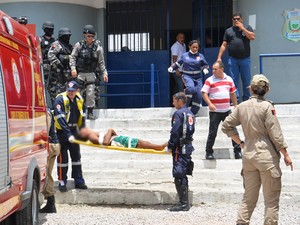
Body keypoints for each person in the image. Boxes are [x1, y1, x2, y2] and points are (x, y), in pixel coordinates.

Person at [221, 74, 293, 225]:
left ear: (251, 88)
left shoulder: (241, 107)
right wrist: (285, 154)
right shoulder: (267, 107)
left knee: (248, 198)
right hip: (266, 156)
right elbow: (275, 134)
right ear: (267, 90)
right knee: (271, 200)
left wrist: (240, 142)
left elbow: (226, 125)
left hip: (248, 155)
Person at [201, 61, 242, 160]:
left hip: (227, 111)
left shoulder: (229, 79)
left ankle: (237, 151)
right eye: (213, 69)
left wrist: (236, 105)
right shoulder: (209, 80)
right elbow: (204, 93)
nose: (213, 71)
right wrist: (210, 104)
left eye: (215, 69)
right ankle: (209, 152)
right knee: (212, 132)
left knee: (233, 130)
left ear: (222, 69)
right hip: (215, 112)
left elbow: (232, 93)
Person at [53, 80, 87, 192]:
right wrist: (68, 134)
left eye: (73, 91)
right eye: (69, 90)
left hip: (74, 131)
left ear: (77, 90)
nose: (70, 93)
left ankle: (79, 180)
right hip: (62, 133)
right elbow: (61, 119)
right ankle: (62, 181)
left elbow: (82, 116)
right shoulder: (60, 99)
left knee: (76, 157)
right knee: (63, 159)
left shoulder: (79, 99)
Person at [70, 24, 108, 120]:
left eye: (92, 36)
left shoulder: (98, 47)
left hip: (91, 73)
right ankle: (76, 112)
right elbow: (73, 57)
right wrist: (73, 68)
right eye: (88, 36)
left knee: (90, 93)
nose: (90, 38)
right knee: (77, 93)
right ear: (84, 35)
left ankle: (90, 112)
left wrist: (104, 73)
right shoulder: (79, 45)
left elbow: (101, 61)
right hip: (81, 73)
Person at [217, 12, 255, 102]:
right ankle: (235, 100)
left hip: (245, 59)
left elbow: (252, 37)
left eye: (238, 19)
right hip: (233, 59)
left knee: (246, 80)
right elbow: (224, 44)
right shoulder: (229, 31)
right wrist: (219, 57)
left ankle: (247, 99)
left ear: (242, 19)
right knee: (234, 80)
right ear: (232, 20)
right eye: (234, 19)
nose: (236, 20)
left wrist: (242, 28)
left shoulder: (247, 28)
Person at [167, 92, 195, 212]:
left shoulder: (178, 113)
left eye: (174, 100)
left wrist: (170, 145)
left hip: (180, 147)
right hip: (188, 145)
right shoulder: (190, 113)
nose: (173, 103)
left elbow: (175, 131)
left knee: (179, 174)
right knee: (183, 173)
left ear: (180, 101)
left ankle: (183, 203)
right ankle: (184, 202)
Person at [168, 40, 209, 115]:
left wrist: (205, 69)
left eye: (197, 47)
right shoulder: (185, 55)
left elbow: (204, 64)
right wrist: (172, 68)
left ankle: (191, 113)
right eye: (193, 47)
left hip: (198, 77)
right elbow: (178, 63)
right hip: (187, 76)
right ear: (189, 47)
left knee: (199, 94)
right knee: (190, 88)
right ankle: (184, 107)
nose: (195, 49)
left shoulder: (200, 56)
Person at [74, 127, 167, 151]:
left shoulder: (92, 134)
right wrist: (110, 131)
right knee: (138, 143)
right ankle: (159, 147)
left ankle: (158, 146)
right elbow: (105, 143)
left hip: (116, 139)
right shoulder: (91, 136)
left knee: (139, 142)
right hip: (115, 141)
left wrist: (110, 132)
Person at [39, 109, 60, 213]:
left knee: (46, 174)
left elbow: (45, 131)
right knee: (47, 173)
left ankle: (51, 203)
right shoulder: (47, 111)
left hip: (50, 145)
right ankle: (50, 203)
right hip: (53, 145)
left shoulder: (46, 112)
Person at [48, 27, 73, 102]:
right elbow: (50, 55)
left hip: (67, 73)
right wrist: (58, 63)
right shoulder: (57, 44)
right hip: (57, 73)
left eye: (69, 36)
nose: (68, 38)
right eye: (66, 36)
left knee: (67, 91)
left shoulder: (69, 46)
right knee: (57, 92)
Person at [40, 21, 55, 108]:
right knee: (42, 87)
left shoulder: (54, 41)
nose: (50, 31)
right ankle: (43, 106)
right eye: (49, 29)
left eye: (51, 29)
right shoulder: (40, 40)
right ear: (45, 30)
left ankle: (55, 106)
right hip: (43, 66)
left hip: (52, 67)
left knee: (52, 88)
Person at [169, 32, 186, 98]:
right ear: (177, 38)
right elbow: (174, 58)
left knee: (177, 87)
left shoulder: (183, 45)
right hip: (176, 70)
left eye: (183, 37)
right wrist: (176, 70)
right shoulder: (175, 46)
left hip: (181, 69)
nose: (182, 39)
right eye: (180, 37)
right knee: (181, 86)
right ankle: (182, 103)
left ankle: (174, 101)